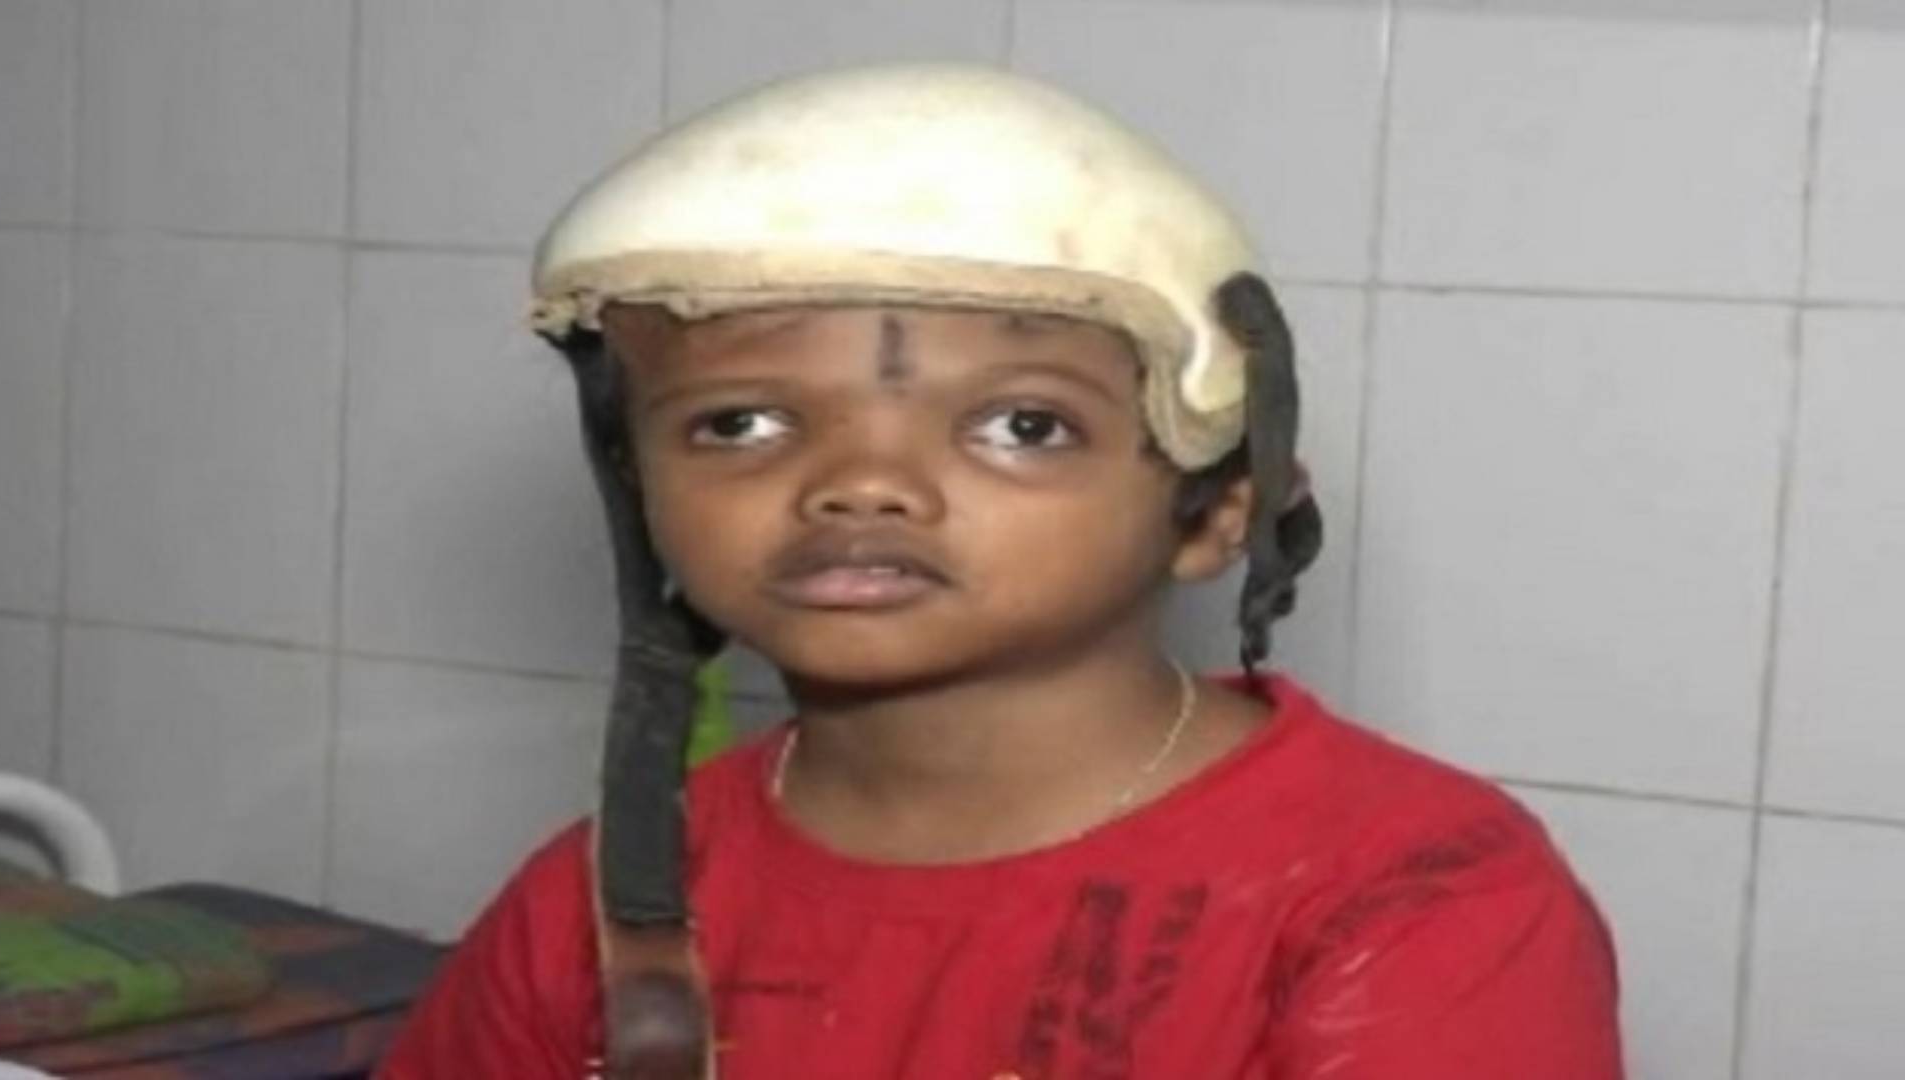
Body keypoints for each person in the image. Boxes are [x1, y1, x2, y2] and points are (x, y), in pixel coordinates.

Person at [377, 63, 1622, 1080]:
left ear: (1218, 514)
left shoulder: (1413, 901)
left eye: (1023, 426)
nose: (861, 485)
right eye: (740, 424)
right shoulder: (597, 906)